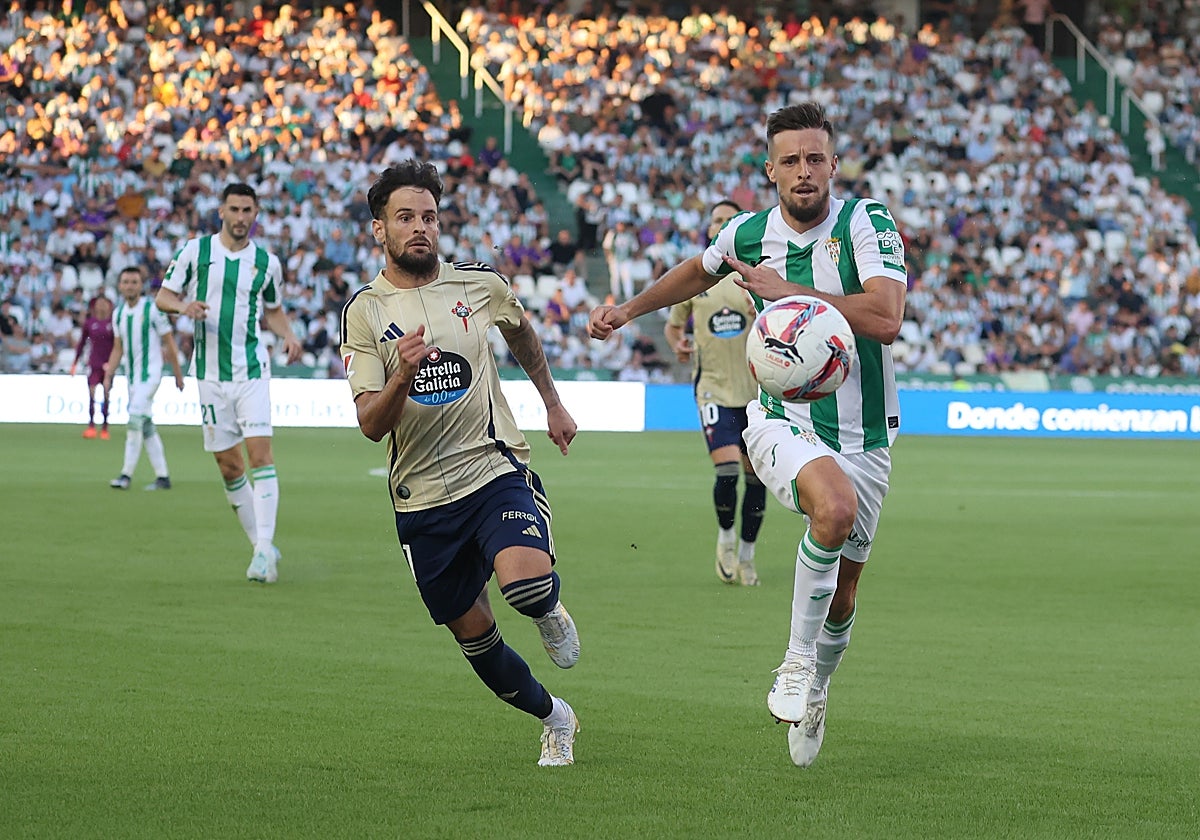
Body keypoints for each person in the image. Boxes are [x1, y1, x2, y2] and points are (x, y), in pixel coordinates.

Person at [589, 103, 906, 768]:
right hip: (779, 420)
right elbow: (698, 271)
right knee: (835, 509)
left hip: (864, 433)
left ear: (834, 165)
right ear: (770, 170)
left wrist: (785, 291)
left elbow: (884, 317)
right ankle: (794, 663)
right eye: (790, 160)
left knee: (846, 592)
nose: (804, 171)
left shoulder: (865, 222)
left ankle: (817, 687)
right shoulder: (747, 233)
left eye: (815, 158)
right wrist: (627, 310)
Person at [340, 161, 582, 767]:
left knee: (525, 585)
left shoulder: (480, 284)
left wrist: (553, 403)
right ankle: (556, 717)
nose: (420, 227)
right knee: (474, 637)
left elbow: (523, 334)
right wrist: (401, 373)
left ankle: (546, 606)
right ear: (379, 230)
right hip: (421, 502)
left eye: (428, 216)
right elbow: (372, 424)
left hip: (492, 467)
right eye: (405, 218)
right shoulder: (365, 312)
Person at [156, 183, 303, 584]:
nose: (241, 217)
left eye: (248, 210)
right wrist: (184, 306)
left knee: (260, 457)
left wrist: (288, 335)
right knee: (228, 465)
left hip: (252, 370)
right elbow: (163, 297)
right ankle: (263, 548)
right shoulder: (195, 251)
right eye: (234, 209)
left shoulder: (266, 262)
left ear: (256, 213)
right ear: (221, 211)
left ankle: (261, 552)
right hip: (208, 373)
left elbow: (272, 310)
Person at [664, 200, 767, 586]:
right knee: (726, 472)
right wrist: (678, 343)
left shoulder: (757, 276)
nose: (721, 225)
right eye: (716, 221)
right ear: (710, 231)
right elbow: (674, 327)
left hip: (757, 393)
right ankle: (725, 540)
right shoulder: (697, 278)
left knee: (755, 480)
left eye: (729, 220)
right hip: (712, 391)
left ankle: (747, 555)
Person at [103, 266, 185, 491]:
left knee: (134, 418)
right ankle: (163, 476)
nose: (129, 286)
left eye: (134, 282)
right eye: (126, 282)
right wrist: (109, 375)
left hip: (151, 373)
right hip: (132, 377)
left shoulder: (152, 309)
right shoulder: (118, 313)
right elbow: (118, 348)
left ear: (141, 286)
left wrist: (178, 374)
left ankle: (125, 474)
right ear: (120, 285)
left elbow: (168, 341)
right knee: (146, 426)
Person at [72, 295, 116, 440]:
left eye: (104, 303)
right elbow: (82, 343)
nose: (102, 306)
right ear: (95, 306)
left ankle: (105, 427)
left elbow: (119, 344)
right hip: (94, 363)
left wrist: (114, 362)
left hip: (109, 364)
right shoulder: (90, 323)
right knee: (91, 393)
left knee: (106, 394)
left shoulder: (113, 323)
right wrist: (75, 362)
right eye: (99, 303)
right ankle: (91, 425)